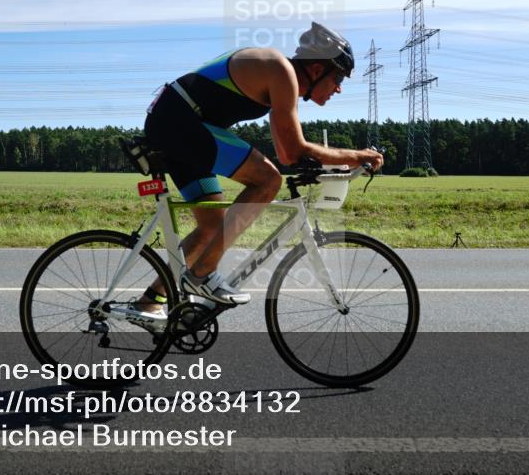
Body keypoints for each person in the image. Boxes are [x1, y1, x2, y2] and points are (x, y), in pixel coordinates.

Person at [125, 22, 383, 327]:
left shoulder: (279, 75)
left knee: (211, 227)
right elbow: (291, 152)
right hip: (180, 123)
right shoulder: (281, 71)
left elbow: (288, 150)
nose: (339, 87)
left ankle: (149, 301)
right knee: (268, 180)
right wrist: (356, 155)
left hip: (179, 123)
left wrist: (326, 162)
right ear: (316, 69)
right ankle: (202, 274)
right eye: (338, 77)